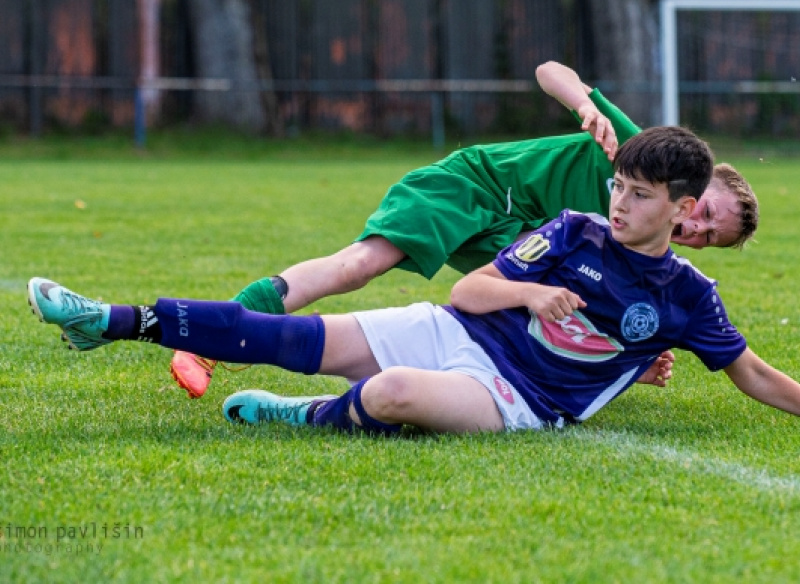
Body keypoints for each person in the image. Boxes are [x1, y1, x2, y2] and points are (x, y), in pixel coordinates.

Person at [29, 126, 791, 437]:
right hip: (459, 330)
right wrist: (531, 293)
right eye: (619, 187)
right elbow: (469, 292)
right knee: (289, 336)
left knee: (393, 392)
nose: (620, 203)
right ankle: (111, 321)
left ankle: (310, 413)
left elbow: (753, 375)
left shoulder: (688, 297)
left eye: (641, 196)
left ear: (682, 209)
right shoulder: (573, 228)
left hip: (519, 399)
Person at [170, 62, 760, 399]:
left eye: (712, 239)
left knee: (497, 321)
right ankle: (209, 337)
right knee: (359, 266)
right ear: (697, 189)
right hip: (475, 188)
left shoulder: (646, 243)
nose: (699, 233)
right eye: (708, 214)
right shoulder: (640, 155)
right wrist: (586, 104)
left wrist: (640, 357)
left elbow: (591, 312)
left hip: (512, 244)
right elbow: (549, 70)